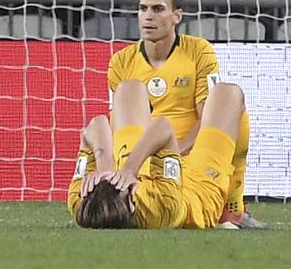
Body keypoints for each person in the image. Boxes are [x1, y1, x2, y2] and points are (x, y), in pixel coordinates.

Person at [105, 0, 265, 229]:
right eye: (142, 9)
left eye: (158, 9)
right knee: (128, 90)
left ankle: (232, 205)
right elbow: (120, 126)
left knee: (229, 98)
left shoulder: (198, 51)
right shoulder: (121, 62)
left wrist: (174, 150)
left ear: (176, 15)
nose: (148, 17)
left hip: (192, 154)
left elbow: (208, 116)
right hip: (143, 160)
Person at [70, 78, 248, 230]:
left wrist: (104, 169)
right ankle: (234, 207)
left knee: (129, 89)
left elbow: (96, 125)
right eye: (116, 184)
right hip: (197, 189)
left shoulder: (81, 200)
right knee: (228, 94)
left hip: (141, 171)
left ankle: (162, 155)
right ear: (133, 201)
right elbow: (164, 126)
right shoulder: (164, 207)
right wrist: (130, 170)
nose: (111, 180)